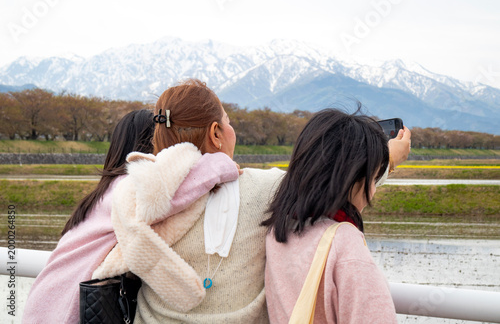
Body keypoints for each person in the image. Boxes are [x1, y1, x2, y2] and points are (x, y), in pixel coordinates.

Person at [94, 80, 410, 324]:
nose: (233, 130)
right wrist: (388, 158)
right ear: (217, 133)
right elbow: (330, 182)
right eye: (229, 122)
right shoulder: (266, 188)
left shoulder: (136, 195)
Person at [263, 109, 399, 323]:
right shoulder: (345, 244)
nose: (372, 191)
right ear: (351, 178)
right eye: (373, 179)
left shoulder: (278, 231)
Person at [22, 109, 155, 323]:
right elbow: (180, 201)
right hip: (65, 310)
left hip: (45, 301)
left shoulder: (105, 190)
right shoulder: (129, 187)